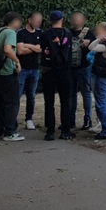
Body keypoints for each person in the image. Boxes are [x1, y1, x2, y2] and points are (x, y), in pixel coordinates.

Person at [39, 10, 75, 141]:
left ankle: (50, 131)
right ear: (62, 20)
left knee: (49, 102)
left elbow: (41, 49)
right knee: (65, 101)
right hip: (64, 70)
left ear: (50, 21)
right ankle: (65, 130)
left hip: (48, 69)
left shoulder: (45, 35)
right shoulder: (68, 34)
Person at [0, 12, 25, 142]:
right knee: (11, 102)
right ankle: (10, 132)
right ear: (14, 21)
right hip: (7, 72)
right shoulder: (10, 33)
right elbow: (7, 50)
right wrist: (17, 61)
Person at [15, 11, 43, 131]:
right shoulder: (20, 33)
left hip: (34, 68)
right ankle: (13, 119)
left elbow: (41, 49)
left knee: (31, 95)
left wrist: (27, 45)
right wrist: (34, 47)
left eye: (40, 20)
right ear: (29, 20)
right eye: (36, 20)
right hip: (22, 68)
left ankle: (29, 119)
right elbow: (20, 50)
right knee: (17, 94)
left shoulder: (40, 33)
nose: (38, 22)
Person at [68, 12, 95, 131]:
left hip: (84, 67)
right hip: (70, 68)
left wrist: (89, 43)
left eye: (78, 19)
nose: (76, 21)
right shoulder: (67, 33)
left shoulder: (90, 34)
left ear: (83, 20)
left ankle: (88, 118)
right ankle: (70, 119)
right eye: (74, 19)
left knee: (86, 93)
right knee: (71, 94)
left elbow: (95, 49)